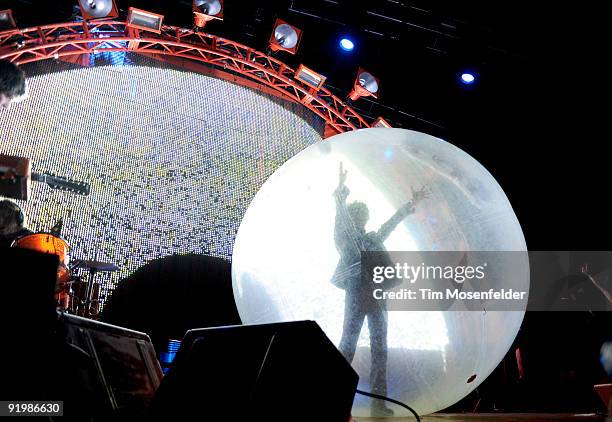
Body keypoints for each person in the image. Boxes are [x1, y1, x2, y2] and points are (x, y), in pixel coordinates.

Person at [331, 162, 428, 416]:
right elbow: (340, 220)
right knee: (348, 345)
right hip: (357, 294)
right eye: (358, 215)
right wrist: (340, 193)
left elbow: (389, 225)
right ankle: (332, 398)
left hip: (376, 296)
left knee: (380, 349)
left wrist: (409, 206)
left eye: (364, 215)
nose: (362, 218)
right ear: (353, 217)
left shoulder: (371, 237)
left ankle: (377, 402)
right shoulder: (346, 237)